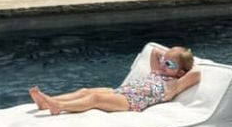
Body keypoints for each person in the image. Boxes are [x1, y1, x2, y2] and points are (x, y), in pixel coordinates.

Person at [29, 45, 200, 115]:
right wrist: (168, 58)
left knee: (95, 99)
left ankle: (59, 107)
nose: (162, 64)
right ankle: (48, 102)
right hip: (121, 91)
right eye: (163, 61)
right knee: (85, 91)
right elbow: (155, 51)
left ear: (180, 72)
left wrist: (182, 63)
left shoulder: (174, 85)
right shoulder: (157, 72)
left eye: (168, 64)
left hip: (131, 102)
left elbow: (196, 73)